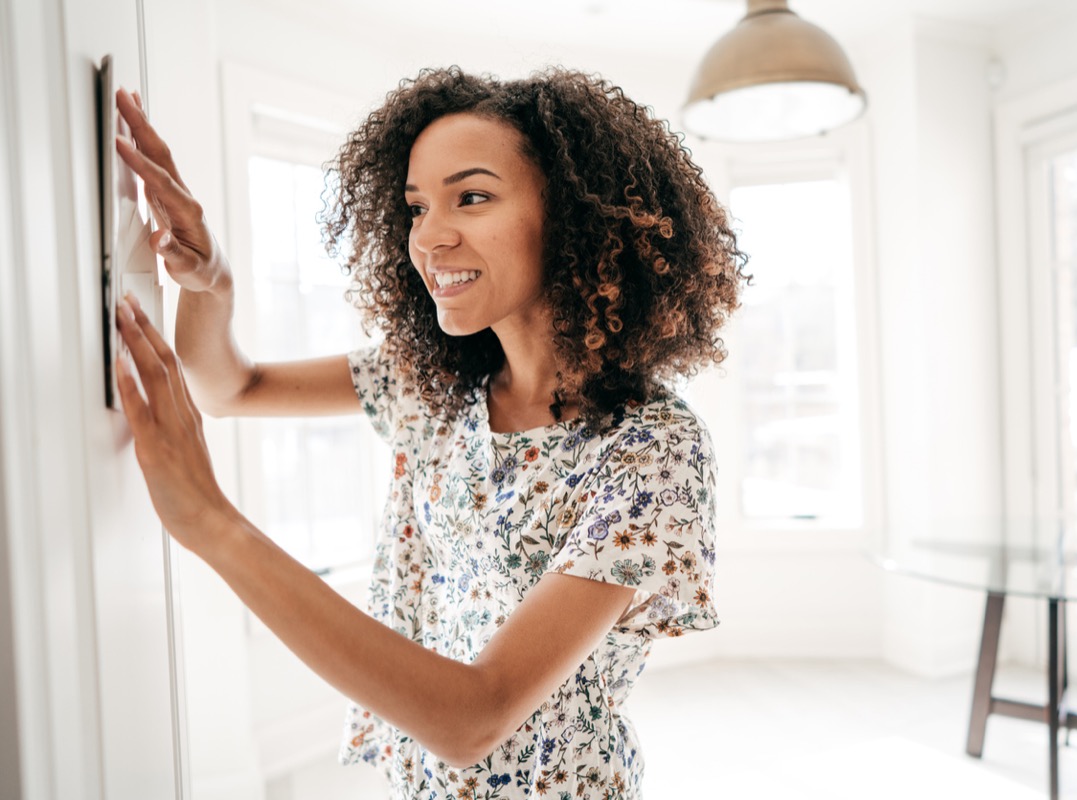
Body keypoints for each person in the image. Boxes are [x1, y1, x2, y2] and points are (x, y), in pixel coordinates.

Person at [112, 66, 746, 799]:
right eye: (416, 207)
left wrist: (213, 525)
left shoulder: (651, 451)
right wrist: (209, 284)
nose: (430, 238)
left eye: (471, 198)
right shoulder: (438, 387)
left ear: (575, 219)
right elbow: (232, 387)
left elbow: (475, 716)